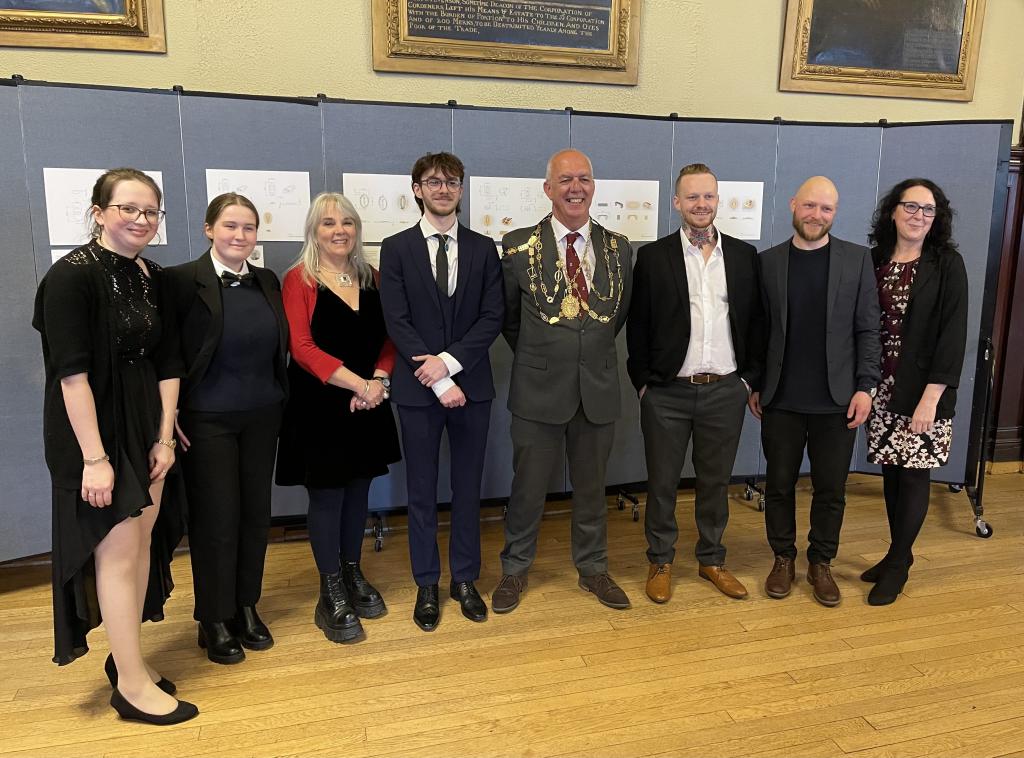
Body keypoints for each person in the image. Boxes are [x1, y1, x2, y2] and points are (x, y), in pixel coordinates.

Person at [33, 167, 197, 724]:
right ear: (99, 212)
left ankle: (128, 661)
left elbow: (168, 360)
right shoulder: (70, 278)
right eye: (129, 208)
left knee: (141, 544)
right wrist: (95, 460)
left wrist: (164, 436)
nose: (142, 220)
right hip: (93, 430)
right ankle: (130, 687)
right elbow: (70, 375)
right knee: (118, 551)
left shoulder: (151, 274)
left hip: (144, 420)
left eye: (151, 211)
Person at [493, 148, 633, 613]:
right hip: (538, 391)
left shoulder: (618, 248)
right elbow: (509, 321)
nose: (576, 188)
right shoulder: (516, 247)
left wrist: (582, 355)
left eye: (585, 179)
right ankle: (514, 570)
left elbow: (615, 317)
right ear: (548, 189)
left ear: (593, 187)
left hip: (597, 389)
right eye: (566, 179)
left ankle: (593, 569)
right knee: (528, 488)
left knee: (593, 489)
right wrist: (546, 358)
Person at [627, 163, 762, 604]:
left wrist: (746, 382)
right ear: (677, 203)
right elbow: (638, 326)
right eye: (692, 197)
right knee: (662, 482)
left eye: (708, 197)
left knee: (714, 481)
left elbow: (758, 324)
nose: (701, 205)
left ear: (717, 201)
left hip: (724, 389)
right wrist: (644, 385)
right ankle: (661, 559)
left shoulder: (743, 257)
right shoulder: (652, 256)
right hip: (666, 392)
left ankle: (712, 559)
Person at [380, 152, 503, 631]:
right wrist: (437, 378)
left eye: (452, 181)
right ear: (417, 189)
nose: (443, 188)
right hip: (417, 392)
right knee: (422, 490)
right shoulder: (396, 248)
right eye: (433, 181)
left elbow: (492, 316)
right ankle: (427, 582)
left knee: (469, 487)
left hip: (473, 388)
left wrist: (449, 367)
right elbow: (398, 320)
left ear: (461, 189)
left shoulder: (482, 248)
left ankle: (465, 579)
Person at [166, 193, 289, 664]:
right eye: (231, 226)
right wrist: (170, 414)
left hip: (263, 415)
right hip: (207, 420)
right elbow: (170, 355)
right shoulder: (182, 281)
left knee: (256, 516)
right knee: (216, 520)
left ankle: (245, 606)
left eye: (249, 228)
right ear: (208, 229)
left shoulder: (266, 280)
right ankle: (212, 618)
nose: (240, 236)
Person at [749, 176, 880, 607]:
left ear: (835, 213)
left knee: (831, 490)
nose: (816, 215)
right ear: (793, 205)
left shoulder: (857, 260)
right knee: (780, 485)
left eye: (826, 209)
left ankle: (820, 562)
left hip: (837, 401)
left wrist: (866, 387)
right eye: (809, 206)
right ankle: (783, 558)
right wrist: (755, 383)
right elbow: (757, 330)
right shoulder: (767, 262)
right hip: (781, 399)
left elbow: (868, 329)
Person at [277, 192, 401, 642]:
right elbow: (302, 348)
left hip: (369, 403)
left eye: (347, 222)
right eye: (329, 223)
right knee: (327, 498)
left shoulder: (373, 278)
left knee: (358, 494)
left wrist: (380, 381)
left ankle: (352, 573)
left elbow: (390, 339)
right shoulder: (300, 281)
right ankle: (329, 588)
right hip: (321, 407)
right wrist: (359, 385)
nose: (339, 231)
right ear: (314, 231)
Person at [862, 179, 968, 605]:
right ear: (893, 211)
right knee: (891, 470)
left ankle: (901, 562)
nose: (918, 215)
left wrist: (931, 397)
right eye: (911, 206)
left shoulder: (946, 263)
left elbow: (952, 334)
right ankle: (894, 553)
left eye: (928, 210)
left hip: (925, 390)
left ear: (936, 218)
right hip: (883, 387)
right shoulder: (874, 261)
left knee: (914, 473)